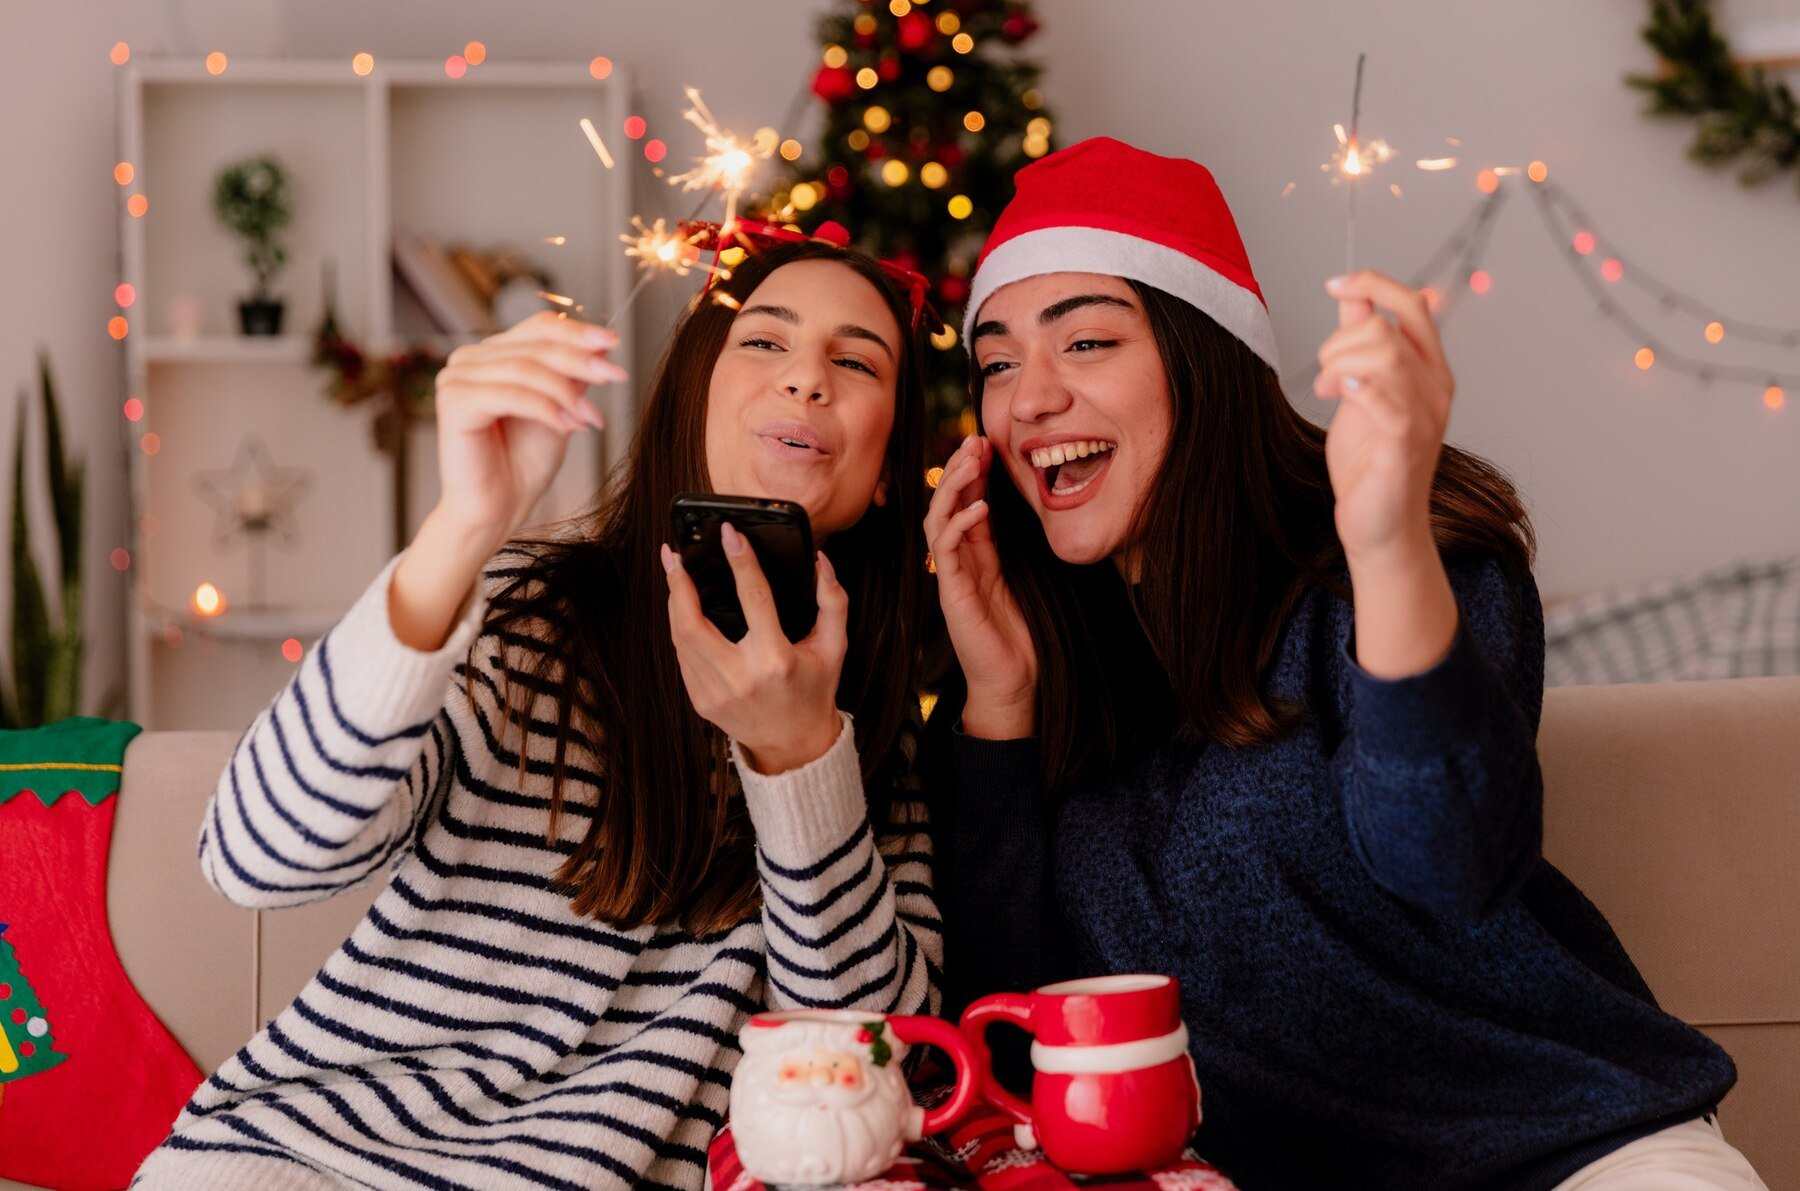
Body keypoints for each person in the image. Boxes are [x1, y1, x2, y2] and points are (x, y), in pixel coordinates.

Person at [925, 137, 1762, 1190]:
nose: (1027, 400)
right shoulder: (1040, 658)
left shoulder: (1411, 560)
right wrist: (1001, 705)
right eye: (997, 363)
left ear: (1204, 356)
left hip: (1571, 1157)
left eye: (1086, 342)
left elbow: (1453, 863)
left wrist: (1387, 545)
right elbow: (1010, 1039)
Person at [135, 234, 942, 1190]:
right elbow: (254, 857)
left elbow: (876, 1068)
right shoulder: (533, 616)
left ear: (887, 470)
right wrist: (466, 526)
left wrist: (799, 759)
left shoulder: (875, 734)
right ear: (690, 397)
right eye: (765, 341)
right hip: (305, 1160)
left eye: (857, 362)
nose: (807, 378)